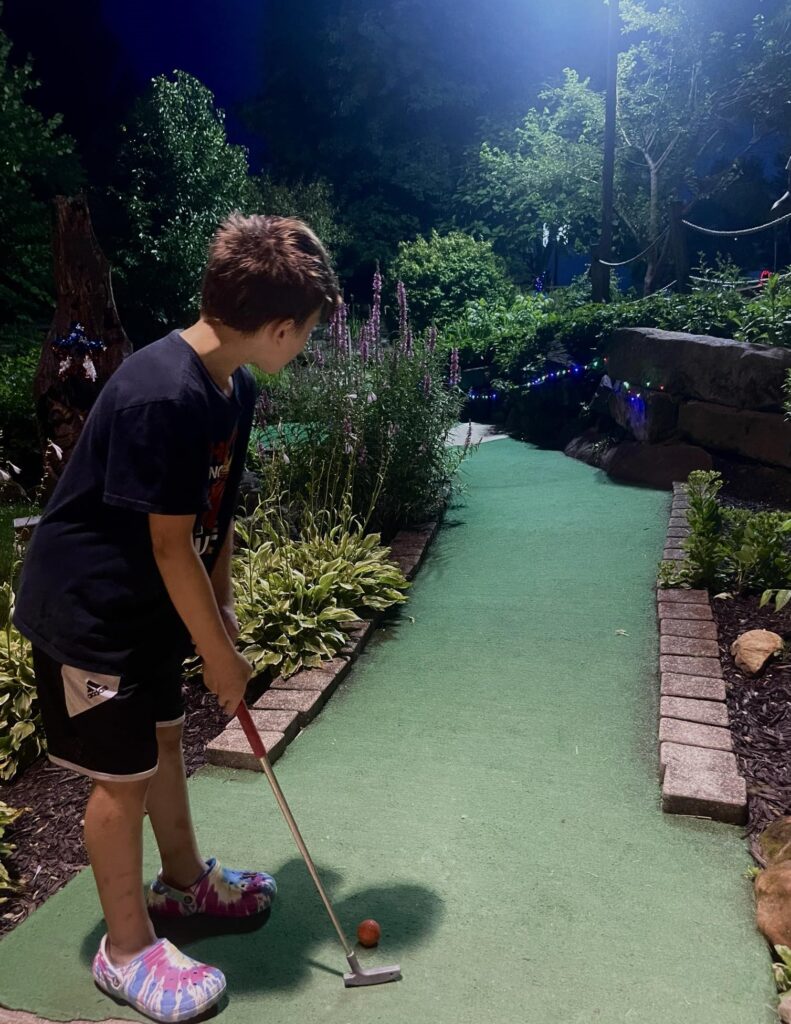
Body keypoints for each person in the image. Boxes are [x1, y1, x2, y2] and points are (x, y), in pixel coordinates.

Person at [14, 214, 340, 1022]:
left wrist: (220, 616)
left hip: (151, 600)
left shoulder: (237, 385)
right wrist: (217, 656)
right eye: (303, 333)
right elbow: (166, 545)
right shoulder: (162, 392)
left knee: (163, 737)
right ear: (275, 327)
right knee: (119, 780)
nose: (302, 345)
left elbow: (211, 516)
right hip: (90, 612)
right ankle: (124, 952)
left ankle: (184, 886)